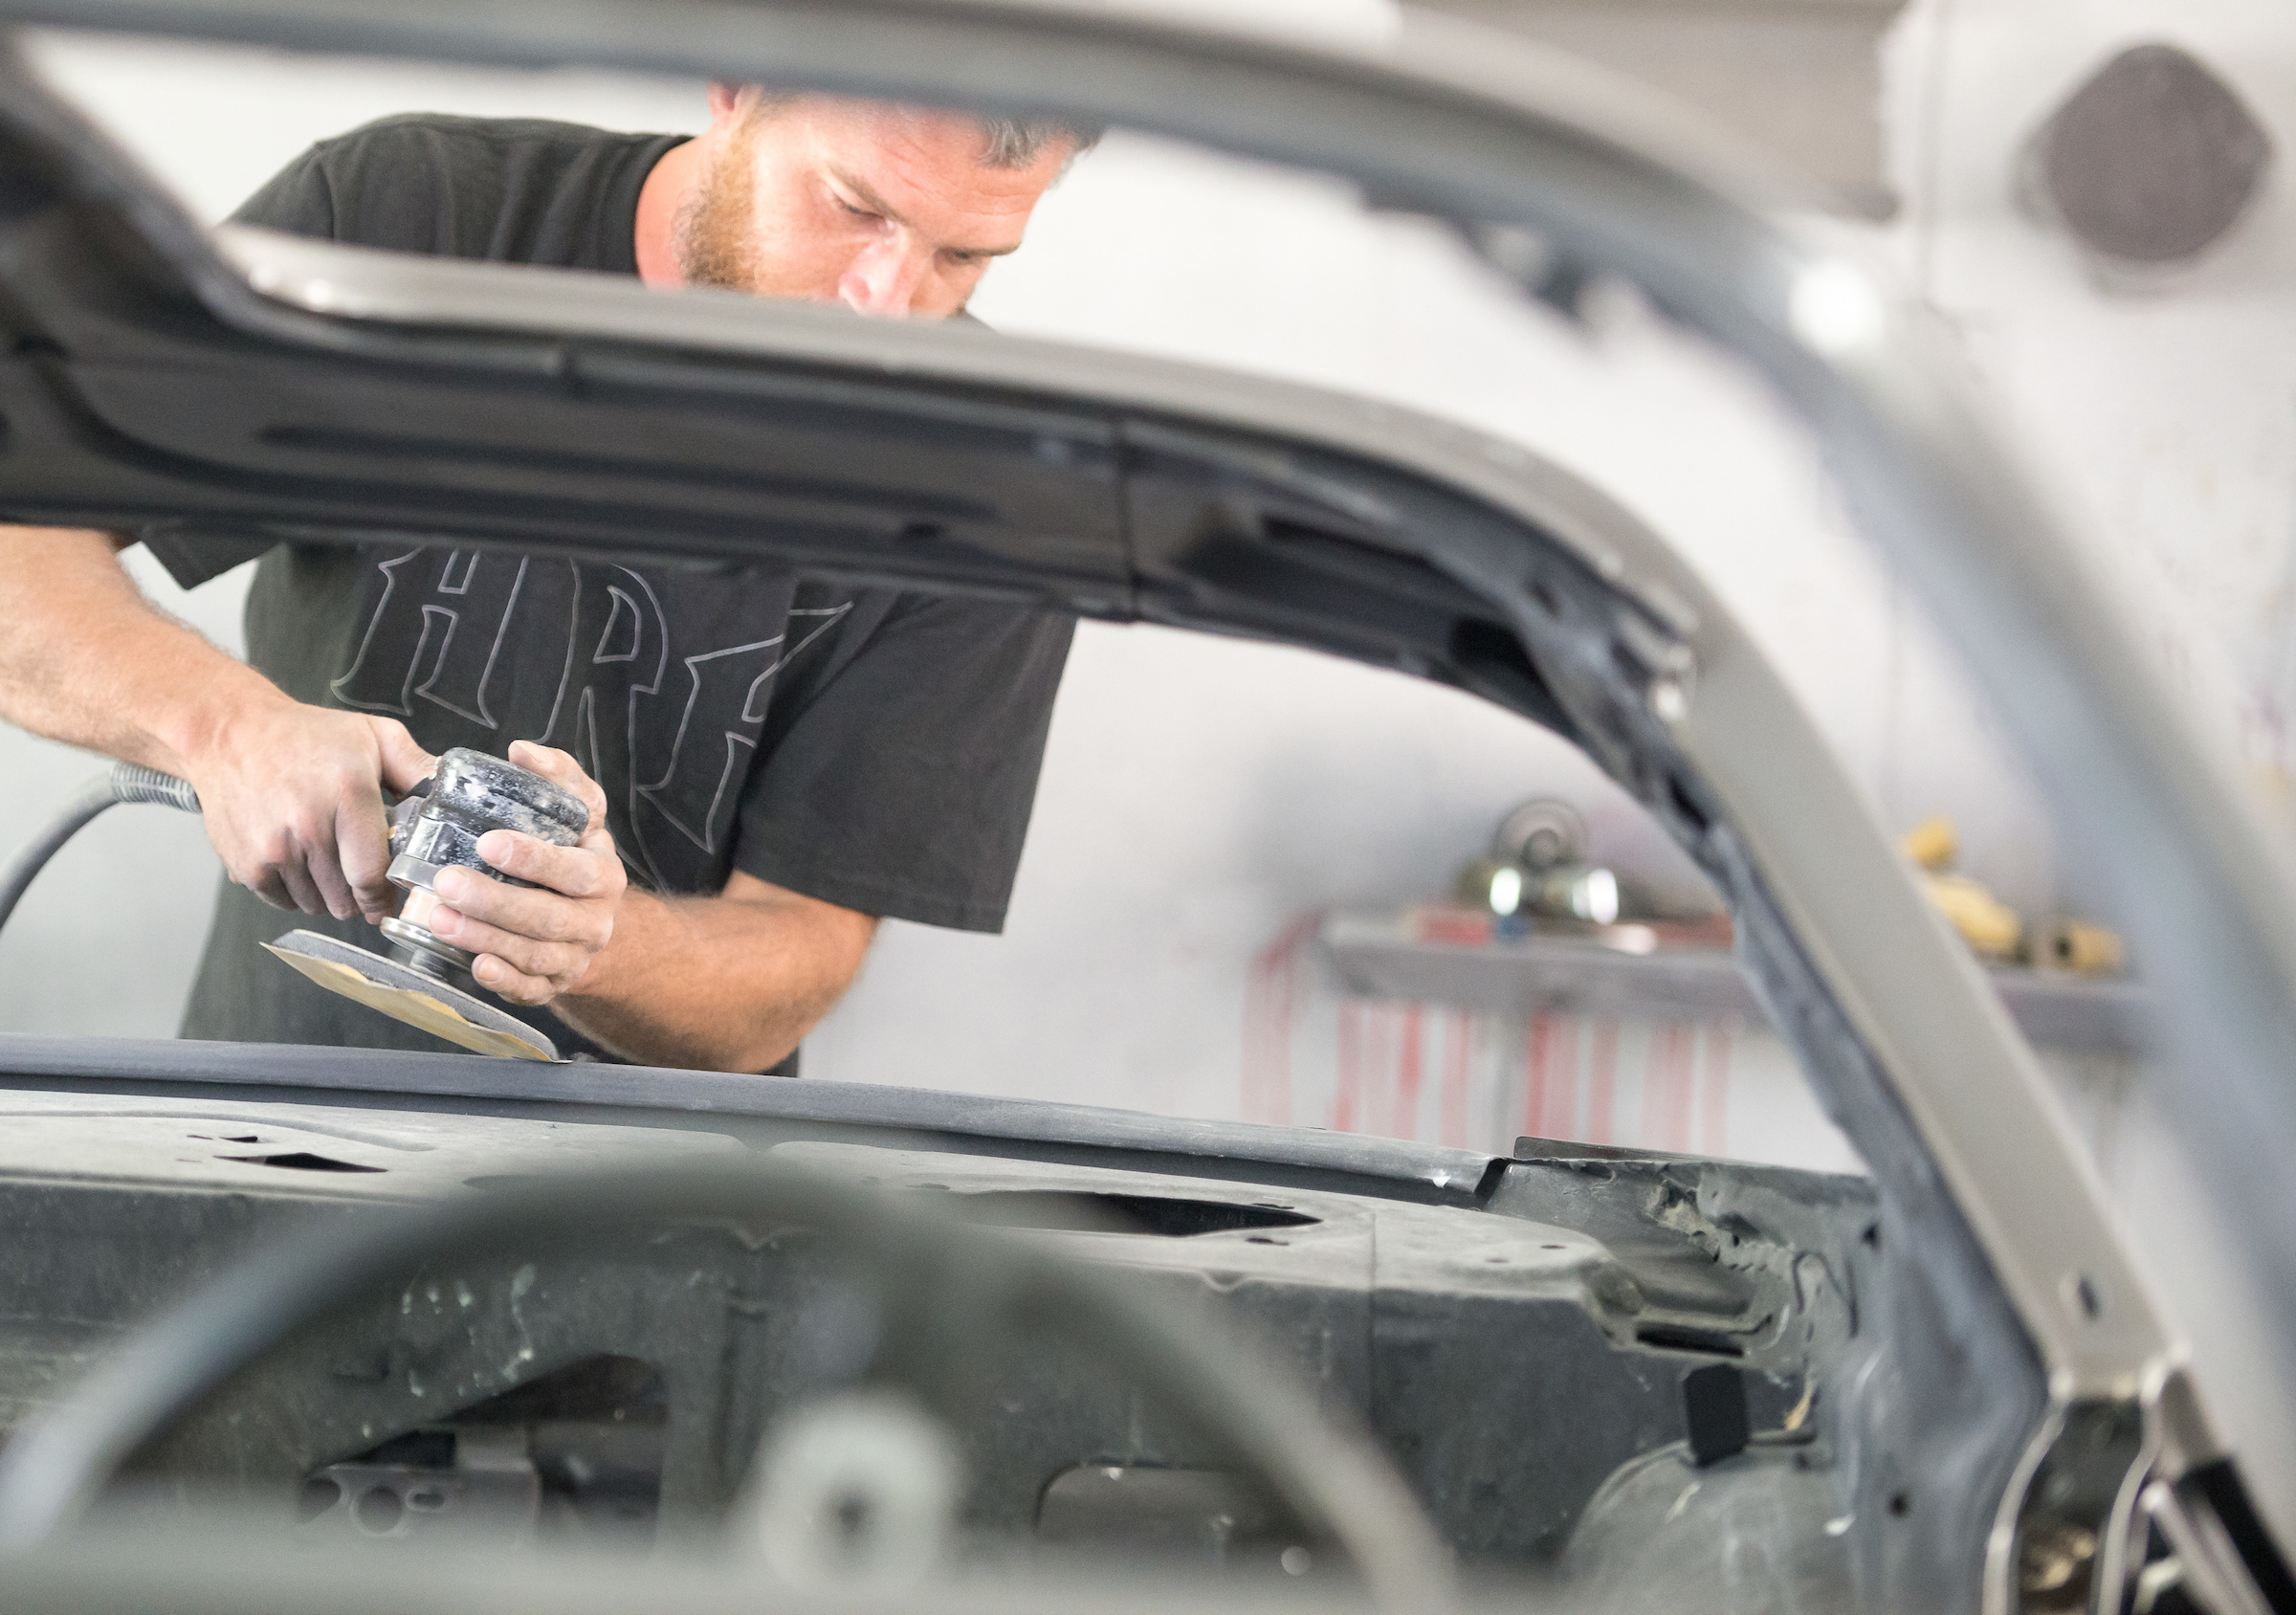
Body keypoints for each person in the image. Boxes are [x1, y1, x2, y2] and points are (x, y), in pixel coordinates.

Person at [0, 87, 1098, 1073]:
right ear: (739, 83)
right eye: (858, 207)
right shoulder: (410, 224)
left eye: (965, 257)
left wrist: (597, 943)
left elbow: (797, 951)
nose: (885, 301)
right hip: (268, 1147)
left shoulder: (990, 488)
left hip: (640, 1238)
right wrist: (223, 729)